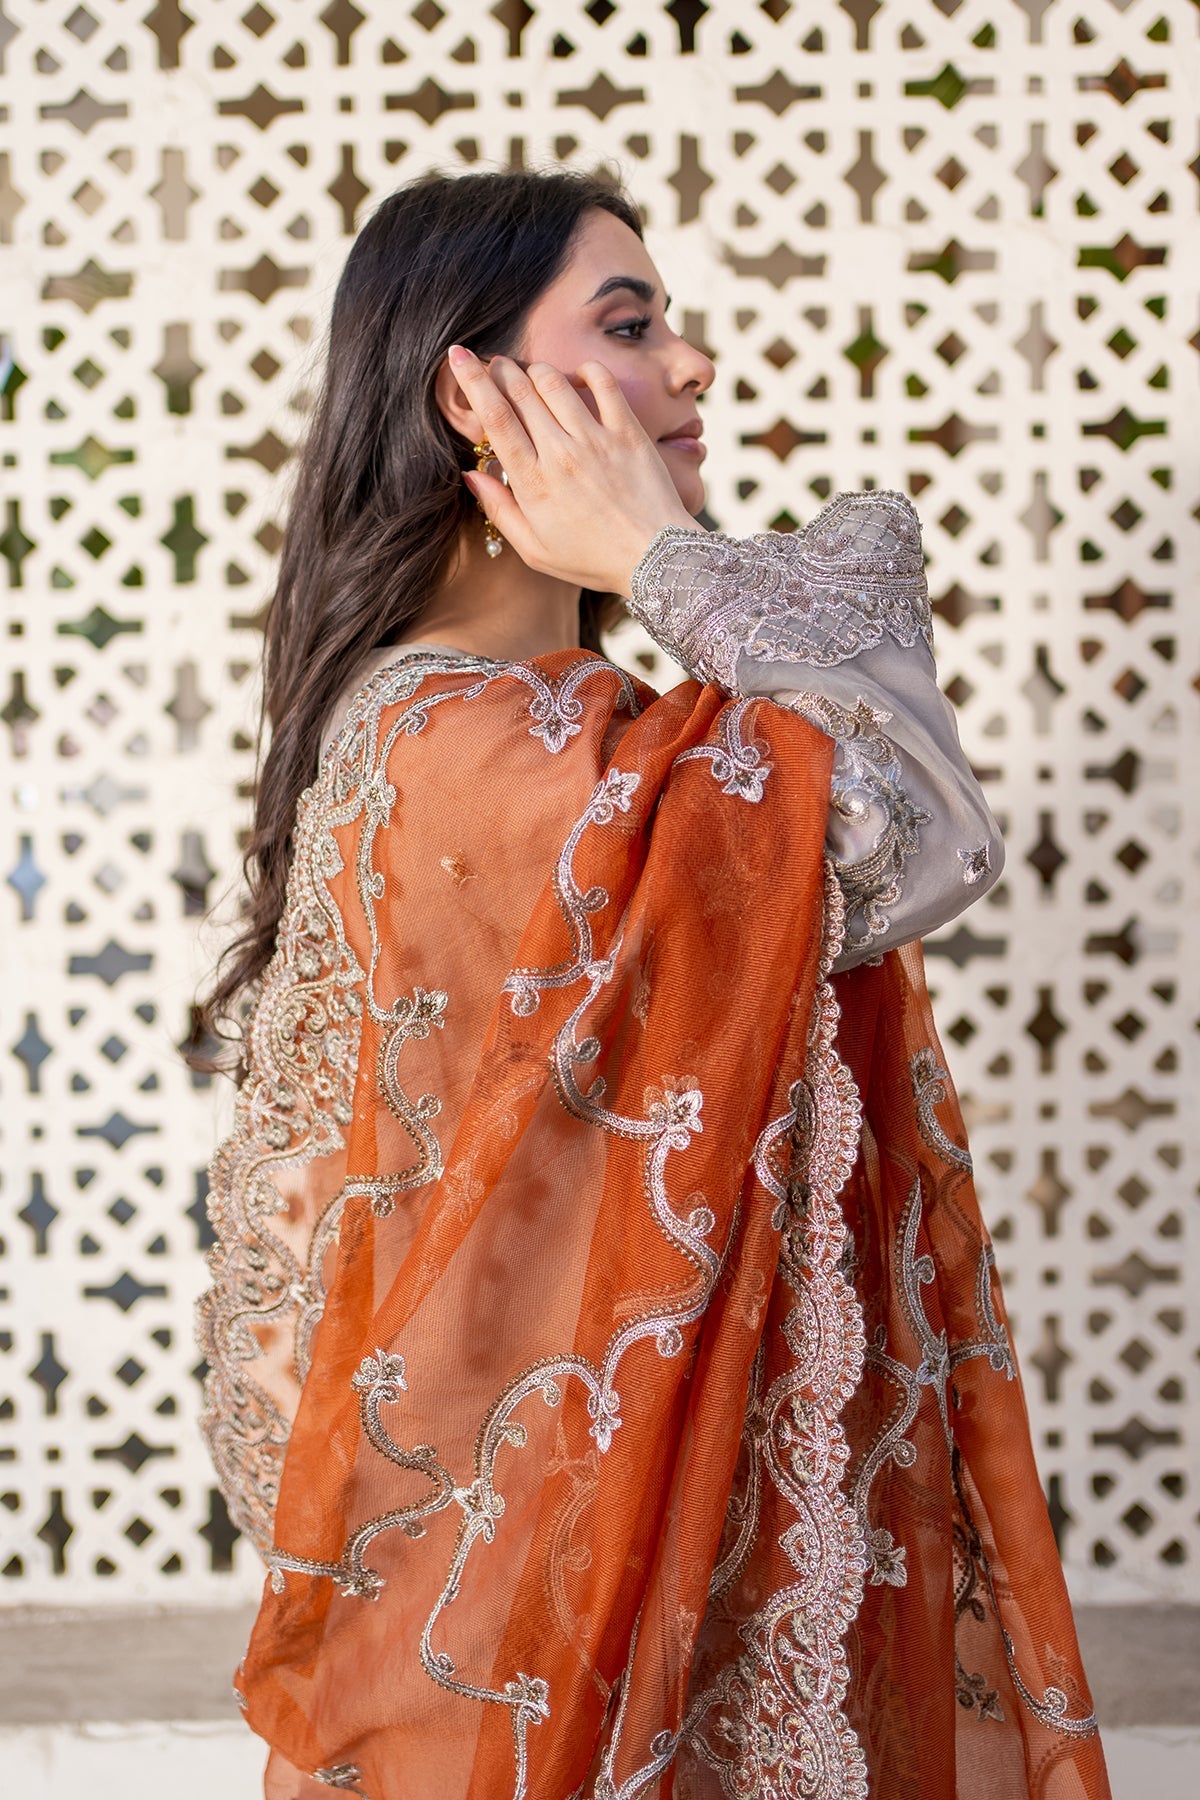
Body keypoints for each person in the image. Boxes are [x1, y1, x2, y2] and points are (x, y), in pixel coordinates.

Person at [195, 168, 1110, 1800]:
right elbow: (915, 829)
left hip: (579, 1576)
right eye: (629, 326)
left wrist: (669, 576)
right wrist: (667, 559)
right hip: (555, 1612)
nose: (692, 365)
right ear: (470, 397)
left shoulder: (561, 732)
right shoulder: (474, 745)